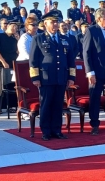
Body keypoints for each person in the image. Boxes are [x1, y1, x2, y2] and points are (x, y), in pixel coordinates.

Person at [29, 11, 76, 141]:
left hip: (61, 77)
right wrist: (35, 78)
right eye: (52, 22)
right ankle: (46, 131)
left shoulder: (64, 39)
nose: (55, 24)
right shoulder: (38, 38)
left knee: (58, 105)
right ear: (45, 23)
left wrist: (71, 77)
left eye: (57, 22)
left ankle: (57, 130)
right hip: (46, 78)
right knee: (46, 104)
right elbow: (33, 60)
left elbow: (71, 60)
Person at [0, 21, 19, 114]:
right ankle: (0, 106)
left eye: (16, 27)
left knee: (12, 85)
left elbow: (18, 52)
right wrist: (3, 61)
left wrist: (18, 40)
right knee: (2, 85)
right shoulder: (0, 36)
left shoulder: (14, 39)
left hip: (13, 64)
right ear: (8, 26)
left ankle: (12, 106)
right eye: (13, 26)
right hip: (2, 65)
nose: (15, 28)